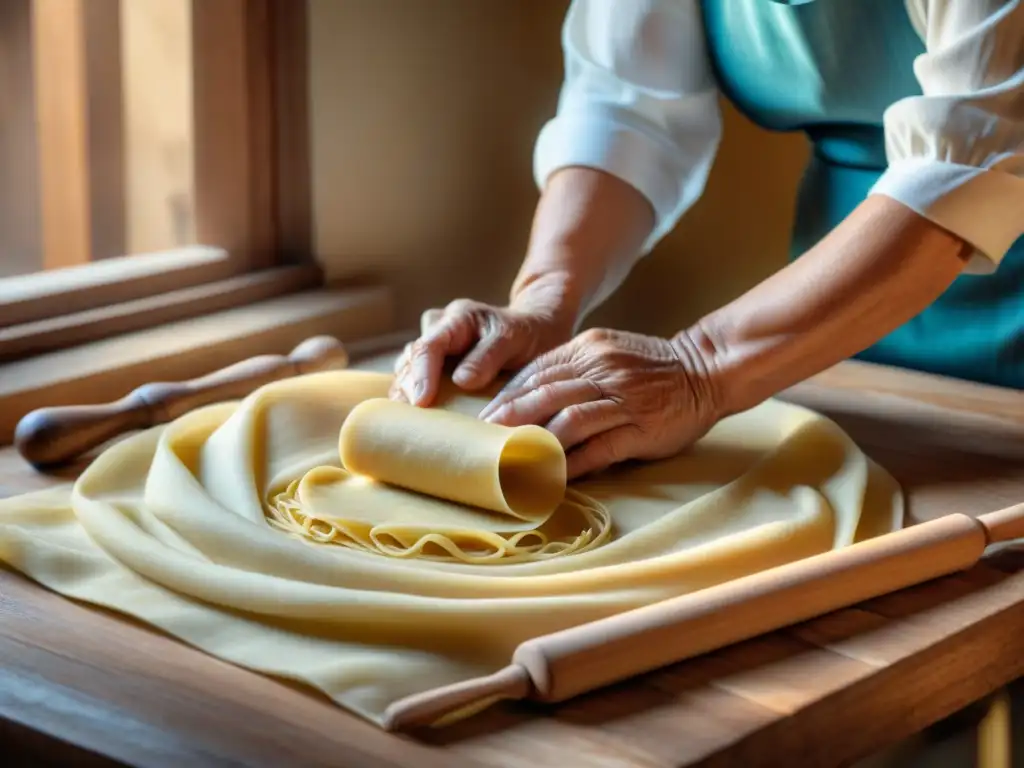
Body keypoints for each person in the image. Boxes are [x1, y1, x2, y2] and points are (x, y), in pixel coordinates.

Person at [391, 0, 1024, 480]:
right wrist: (545, 297)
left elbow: (972, 159)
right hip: (836, 311)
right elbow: (627, 109)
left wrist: (702, 366)